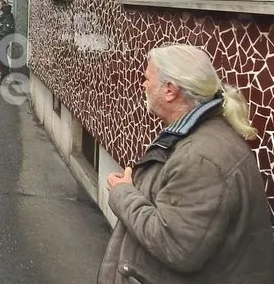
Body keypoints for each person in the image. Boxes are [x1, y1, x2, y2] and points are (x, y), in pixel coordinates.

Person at [99, 44, 274, 284]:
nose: (143, 85)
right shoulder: (198, 135)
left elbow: (175, 245)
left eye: (147, 78)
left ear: (170, 90)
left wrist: (123, 194)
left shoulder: (201, 160)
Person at [0, 2, 15, 83]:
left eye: (2, 11)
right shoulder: (3, 17)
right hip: (0, 40)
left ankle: (4, 75)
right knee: (2, 59)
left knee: (3, 59)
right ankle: (4, 73)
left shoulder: (8, 19)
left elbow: (5, 32)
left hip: (4, 40)